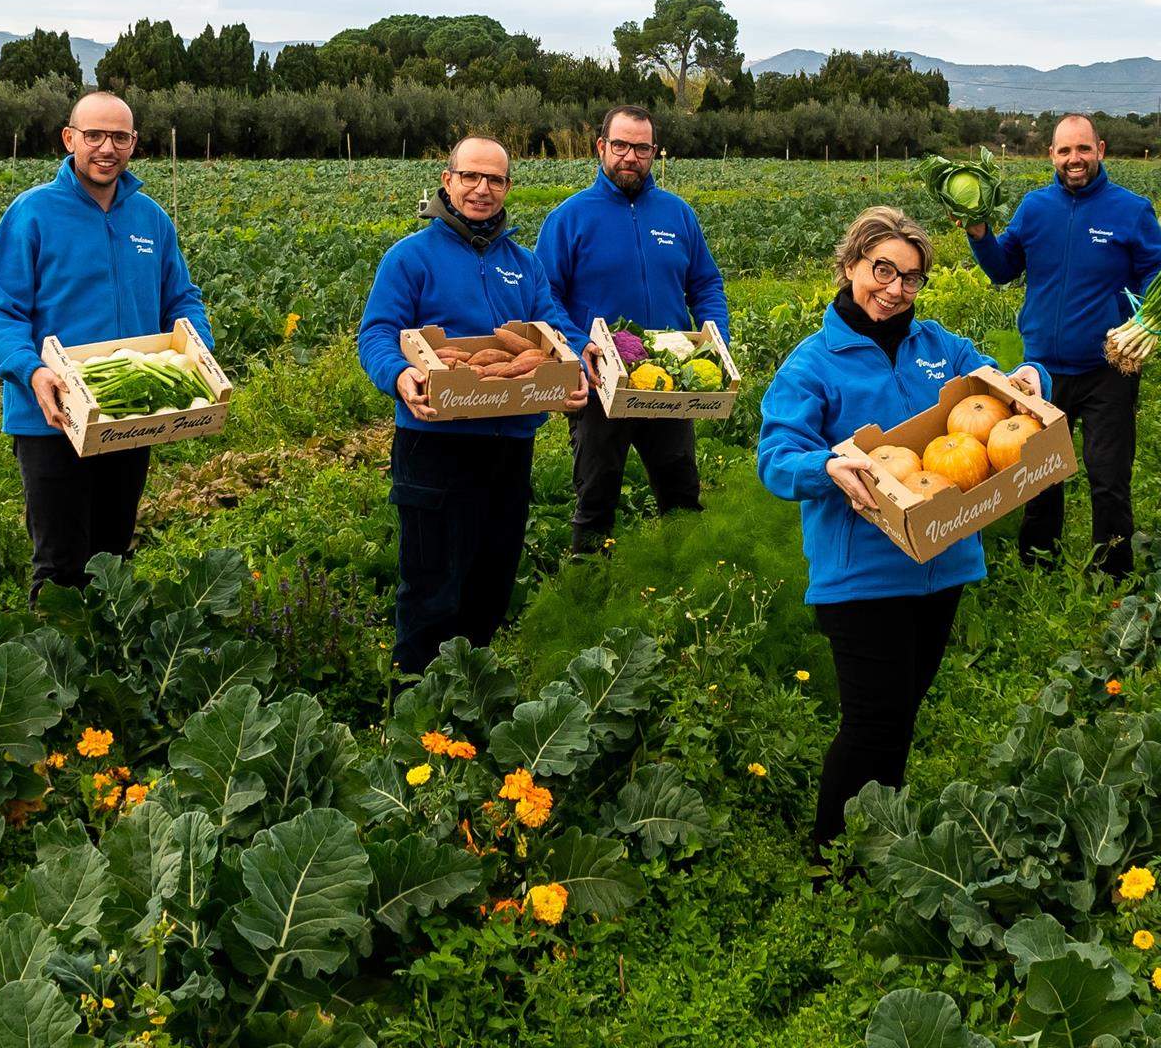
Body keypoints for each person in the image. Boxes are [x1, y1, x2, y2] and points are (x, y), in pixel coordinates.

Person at [758, 207, 1049, 853]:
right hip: (860, 573)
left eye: (911, 277)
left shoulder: (942, 349)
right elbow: (775, 458)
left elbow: (1004, 393)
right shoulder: (814, 364)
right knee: (872, 721)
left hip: (943, 563)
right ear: (849, 266)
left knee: (902, 712)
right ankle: (829, 854)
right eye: (881, 269)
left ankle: (878, 835)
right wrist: (826, 463)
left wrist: (1032, 379)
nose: (894, 288)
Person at [357, 136, 590, 674]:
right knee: (430, 586)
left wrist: (574, 365)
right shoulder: (410, 258)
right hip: (435, 443)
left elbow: (552, 327)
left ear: (508, 187)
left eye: (495, 180)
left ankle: (472, 701)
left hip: (509, 445)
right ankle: (415, 709)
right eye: (471, 177)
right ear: (448, 180)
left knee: (492, 579)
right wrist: (401, 375)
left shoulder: (524, 263)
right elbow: (377, 334)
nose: (482, 190)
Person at [0, 91, 212, 601]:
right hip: (51, 416)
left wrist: (200, 351)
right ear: (70, 139)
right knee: (60, 564)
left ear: (134, 144)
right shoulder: (33, 214)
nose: (107, 148)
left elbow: (182, 298)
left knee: (111, 555)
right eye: (94, 136)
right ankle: (56, 672)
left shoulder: (150, 219)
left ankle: (106, 665)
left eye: (119, 137)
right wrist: (30, 370)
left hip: (128, 415)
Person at [964, 114, 1161, 579]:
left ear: (1101, 148)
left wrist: (1145, 321)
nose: (1074, 159)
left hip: (1107, 370)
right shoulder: (1035, 208)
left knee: (1108, 477)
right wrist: (979, 235)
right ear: (1051, 155)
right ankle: (1039, 565)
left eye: (1083, 149)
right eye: (1064, 151)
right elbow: (1002, 269)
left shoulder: (1131, 210)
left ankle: (1112, 575)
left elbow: (1158, 273)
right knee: (1038, 476)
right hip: (1041, 371)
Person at [535, 105, 729, 554]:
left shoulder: (677, 214)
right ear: (601, 147)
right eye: (620, 145)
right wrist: (580, 343)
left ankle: (684, 580)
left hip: (670, 381)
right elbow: (544, 298)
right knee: (596, 496)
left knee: (681, 494)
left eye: (641, 148)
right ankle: (590, 588)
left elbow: (706, 283)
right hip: (601, 380)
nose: (630, 156)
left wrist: (716, 340)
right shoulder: (570, 218)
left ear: (654, 153)